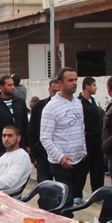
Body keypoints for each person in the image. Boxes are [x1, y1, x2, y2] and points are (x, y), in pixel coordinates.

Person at [40, 67, 86, 203]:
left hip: (78, 160)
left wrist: (83, 149)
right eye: (70, 80)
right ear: (60, 83)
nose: (74, 83)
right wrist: (60, 157)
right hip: (61, 163)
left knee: (74, 198)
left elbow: (81, 127)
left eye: (76, 80)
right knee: (65, 199)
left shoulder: (78, 103)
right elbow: (45, 137)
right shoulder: (51, 107)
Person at [0, 75, 29, 161]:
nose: (13, 87)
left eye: (13, 85)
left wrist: (28, 144)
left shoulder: (20, 102)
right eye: (9, 85)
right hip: (3, 148)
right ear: (1, 87)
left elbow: (25, 124)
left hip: (20, 146)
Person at [28, 79, 61, 184]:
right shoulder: (39, 107)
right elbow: (32, 131)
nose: (56, 95)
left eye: (59, 91)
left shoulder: (68, 106)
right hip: (42, 155)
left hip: (62, 155)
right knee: (45, 188)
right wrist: (35, 155)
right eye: (54, 91)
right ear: (49, 90)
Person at [78, 77, 104, 194]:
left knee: (98, 167)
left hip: (96, 139)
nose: (96, 87)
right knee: (83, 169)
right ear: (87, 86)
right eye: (93, 85)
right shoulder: (79, 102)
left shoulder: (93, 101)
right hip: (86, 139)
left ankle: (98, 192)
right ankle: (77, 194)